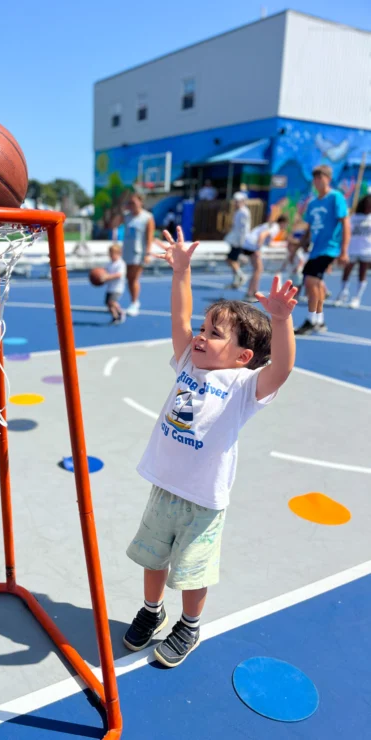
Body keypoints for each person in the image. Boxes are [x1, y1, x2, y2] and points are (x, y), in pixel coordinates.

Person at [123, 225, 297, 668]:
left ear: (242, 357)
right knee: (153, 557)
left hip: (203, 501)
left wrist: (280, 321)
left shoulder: (243, 386)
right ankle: (151, 611)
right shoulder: (187, 362)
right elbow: (180, 319)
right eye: (204, 328)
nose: (200, 336)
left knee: (193, 571)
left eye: (214, 334)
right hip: (165, 488)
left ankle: (190, 624)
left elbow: (281, 371)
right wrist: (181, 270)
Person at [294, 165, 350, 335]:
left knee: (310, 281)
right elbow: (309, 227)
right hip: (316, 249)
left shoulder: (335, 197)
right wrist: (302, 242)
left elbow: (345, 223)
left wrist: (344, 251)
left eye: (321, 177)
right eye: (315, 178)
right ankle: (319, 319)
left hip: (330, 247)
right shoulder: (312, 203)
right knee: (315, 284)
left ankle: (311, 319)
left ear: (328, 178)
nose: (318, 181)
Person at [121, 193, 155, 317]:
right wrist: (121, 209)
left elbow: (150, 237)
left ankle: (134, 303)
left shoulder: (147, 217)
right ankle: (134, 301)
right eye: (130, 203)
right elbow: (112, 224)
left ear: (141, 202)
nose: (131, 205)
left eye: (133, 203)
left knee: (133, 278)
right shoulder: (126, 216)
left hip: (139, 252)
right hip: (127, 251)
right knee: (129, 278)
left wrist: (148, 253)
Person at [335, 194, 371, 308]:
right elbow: (345, 232)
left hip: (366, 250)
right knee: (346, 272)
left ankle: (357, 297)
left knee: (362, 273)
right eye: (367, 205)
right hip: (352, 249)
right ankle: (343, 293)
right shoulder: (353, 218)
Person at [242, 215, 289, 302]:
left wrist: (282, 245)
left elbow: (268, 243)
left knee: (257, 269)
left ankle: (252, 292)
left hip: (248, 243)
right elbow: (263, 235)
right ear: (283, 223)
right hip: (252, 245)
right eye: (286, 225)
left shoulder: (271, 225)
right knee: (259, 269)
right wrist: (258, 249)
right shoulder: (276, 227)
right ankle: (251, 293)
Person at [225, 192, 251, 288]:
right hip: (236, 240)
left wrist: (241, 242)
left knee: (231, 260)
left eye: (238, 202)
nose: (236, 204)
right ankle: (236, 280)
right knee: (232, 260)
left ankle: (241, 276)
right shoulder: (239, 212)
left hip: (239, 241)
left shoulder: (243, 212)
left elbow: (244, 229)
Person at [103, 244, 126, 324]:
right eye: (110, 254)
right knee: (107, 303)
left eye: (113, 254)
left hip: (117, 287)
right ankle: (115, 317)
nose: (111, 256)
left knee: (112, 301)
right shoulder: (109, 264)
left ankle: (120, 312)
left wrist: (108, 277)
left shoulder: (120, 263)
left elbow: (119, 274)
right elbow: (105, 272)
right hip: (110, 287)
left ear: (119, 254)